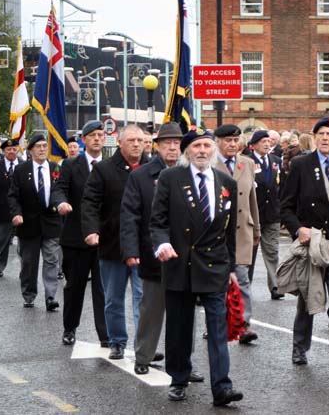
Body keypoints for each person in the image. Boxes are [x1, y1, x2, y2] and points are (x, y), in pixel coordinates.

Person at [150, 129, 243, 406]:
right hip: (180, 261)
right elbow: (158, 221)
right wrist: (161, 245)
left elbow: (229, 231)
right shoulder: (170, 178)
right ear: (187, 151)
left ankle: (222, 387)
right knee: (180, 326)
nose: (202, 151)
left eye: (206, 145)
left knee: (217, 328)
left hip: (214, 265)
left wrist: (232, 266)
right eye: (197, 146)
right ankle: (179, 378)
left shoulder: (226, 182)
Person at [120, 122, 199, 377]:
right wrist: (131, 249)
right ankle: (143, 356)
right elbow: (130, 215)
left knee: (186, 315)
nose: (173, 148)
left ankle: (184, 364)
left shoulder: (193, 173)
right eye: (167, 143)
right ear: (157, 146)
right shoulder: (141, 175)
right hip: (153, 254)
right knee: (152, 310)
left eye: (177, 143)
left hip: (187, 256)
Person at [281, 116, 329, 368]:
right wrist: (298, 228)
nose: (325, 138)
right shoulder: (301, 164)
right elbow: (286, 205)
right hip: (312, 242)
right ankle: (300, 347)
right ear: (314, 137)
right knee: (308, 296)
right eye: (321, 133)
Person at [82, 124, 148, 360]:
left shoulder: (153, 169)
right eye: (131, 140)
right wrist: (91, 230)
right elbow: (90, 202)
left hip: (145, 246)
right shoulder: (104, 170)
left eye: (141, 140)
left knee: (144, 298)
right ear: (120, 143)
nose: (137, 144)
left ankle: (144, 344)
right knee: (113, 298)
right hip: (113, 244)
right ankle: (117, 341)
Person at [51, 120, 108, 346]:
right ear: (83, 140)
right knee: (75, 287)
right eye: (91, 135)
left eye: (100, 135)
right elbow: (59, 190)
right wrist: (61, 203)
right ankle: (70, 328)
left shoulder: (112, 166)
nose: (96, 138)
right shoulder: (71, 166)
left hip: (106, 239)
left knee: (104, 290)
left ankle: (106, 335)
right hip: (76, 238)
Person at [214, 124, 261, 344]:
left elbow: (252, 200)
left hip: (242, 229)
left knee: (242, 279)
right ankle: (216, 323)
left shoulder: (248, 163)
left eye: (235, 140)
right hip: (215, 233)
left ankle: (244, 325)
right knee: (216, 281)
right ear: (218, 142)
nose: (233, 144)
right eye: (227, 141)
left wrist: (257, 229)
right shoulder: (209, 164)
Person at [8, 134, 61, 310]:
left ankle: (51, 296)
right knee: (29, 263)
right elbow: (13, 196)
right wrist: (16, 214)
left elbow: (59, 191)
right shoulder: (21, 170)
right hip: (28, 224)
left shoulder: (55, 168)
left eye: (44, 145)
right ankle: (29, 294)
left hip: (51, 222)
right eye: (38, 146)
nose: (42, 149)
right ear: (30, 150)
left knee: (52, 260)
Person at [247, 130, 283, 300]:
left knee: (272, 252)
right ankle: (246, 284)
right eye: (263, 141)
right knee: (250, 254)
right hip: (254, 215)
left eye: (269, 141)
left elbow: (280, 187)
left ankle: (275, 286)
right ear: (253, 145)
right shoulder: (247, 161)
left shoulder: (275, 161)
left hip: (272, 214)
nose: (267, 144)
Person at [0, 139, 21, 278]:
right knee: (1, 241)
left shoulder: (24, 165)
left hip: (22, 211)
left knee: (25, 242)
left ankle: (25, 268)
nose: (12, 151)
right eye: (8, 149)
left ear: (18, 150)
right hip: (3, 210)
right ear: (4, 151)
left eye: (14, 148)